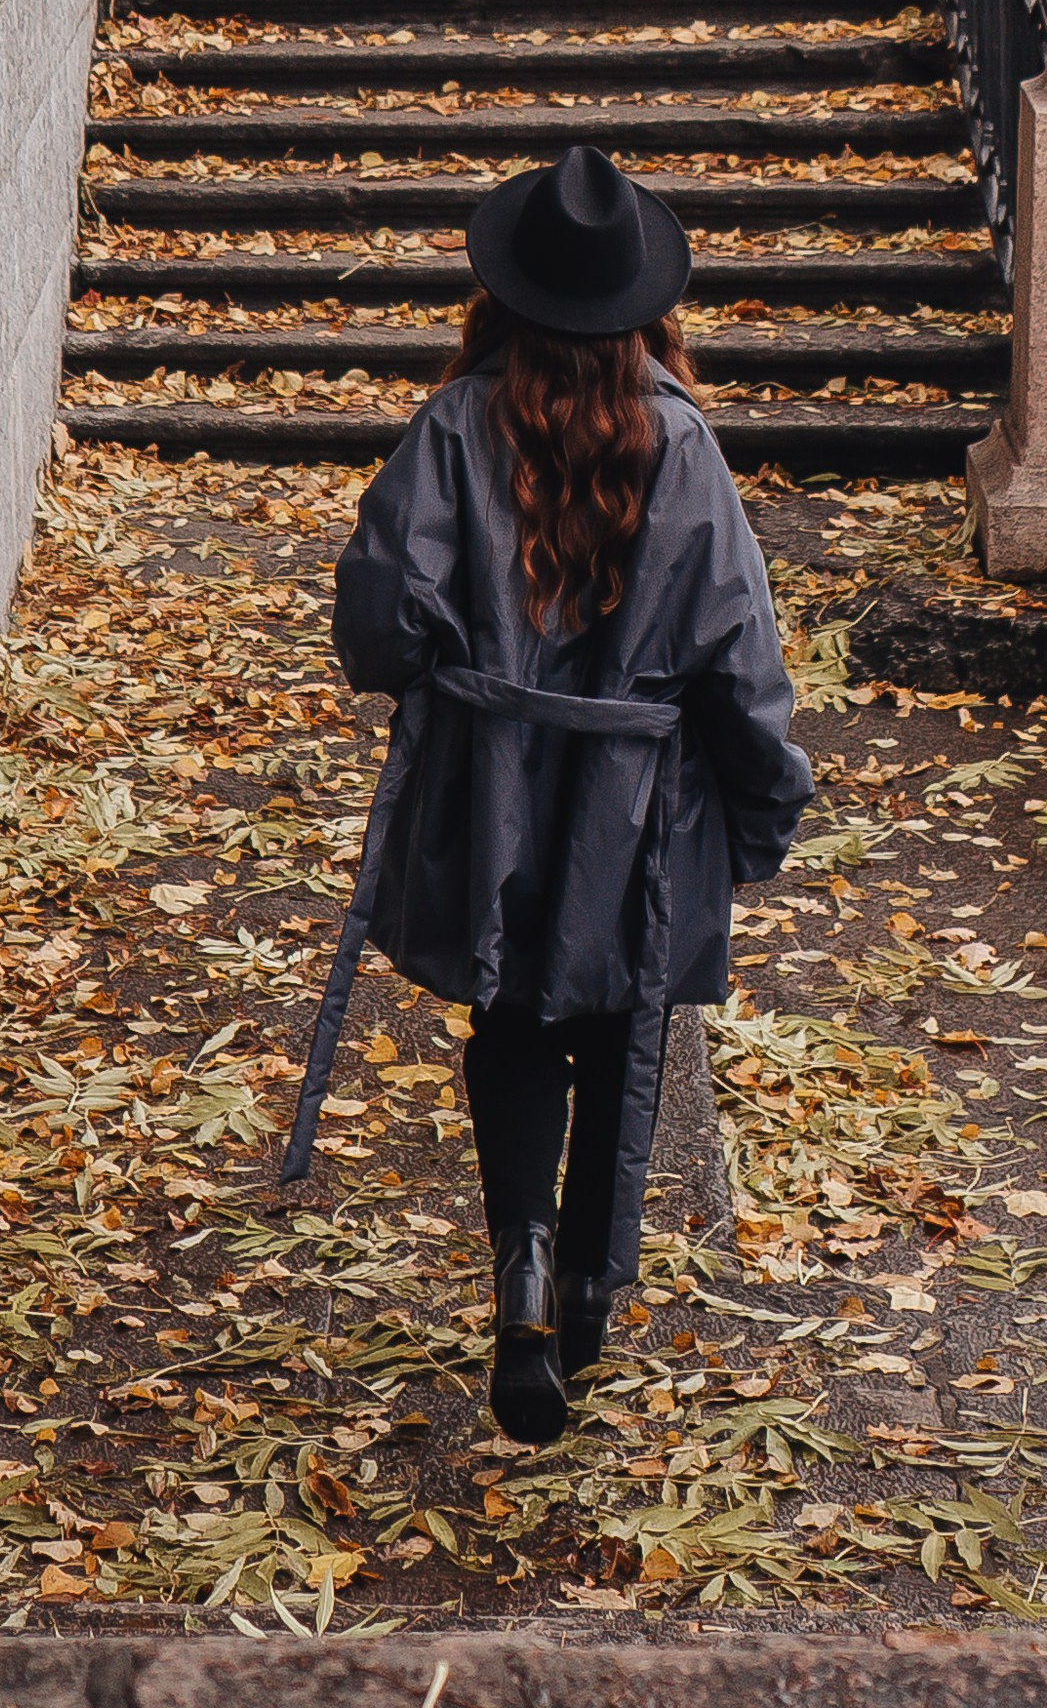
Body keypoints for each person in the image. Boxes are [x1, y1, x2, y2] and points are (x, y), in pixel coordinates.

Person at [279, 143, 812, 1446]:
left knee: (513, 1023)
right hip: (644, 811)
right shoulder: (682, 446)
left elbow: (376, 621)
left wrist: (454, 674)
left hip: (493, 794)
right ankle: (583, 1296)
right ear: (646, 308)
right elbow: (740, 651)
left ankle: (520, 1279)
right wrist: (767, 804)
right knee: (622, 1023)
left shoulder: (457, 425)